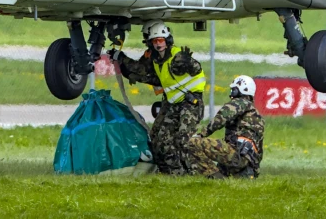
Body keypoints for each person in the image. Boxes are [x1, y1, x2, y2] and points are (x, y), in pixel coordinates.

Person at [109, 21, 206, 175]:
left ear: (167, 41)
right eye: (155, 41)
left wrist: (189, 63)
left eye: (160, 40)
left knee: (183, 139)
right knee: (159, 138)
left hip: (190, 103)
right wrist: (123, 62)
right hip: (173, 103)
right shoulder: (156, 60)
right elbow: (148, 75)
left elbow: (196, 68)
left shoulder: (177, 56)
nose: (158, 44)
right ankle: (171, 172)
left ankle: (196, 171)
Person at [186, 75, 264, 179]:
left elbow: (222, 117)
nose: (231, 93)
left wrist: (201, 134)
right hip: (247, 161)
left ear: (241, 89)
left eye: (233, 89)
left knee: (191, 143)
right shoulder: (256, 114)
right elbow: (259, 147)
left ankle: (216, 178)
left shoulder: (240, 103)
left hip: (235, 155)